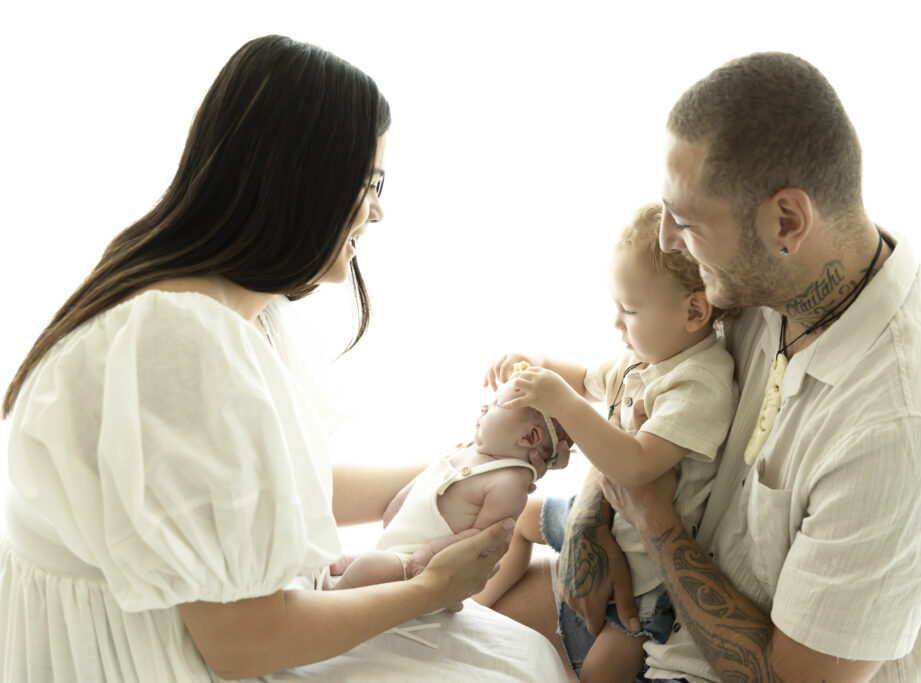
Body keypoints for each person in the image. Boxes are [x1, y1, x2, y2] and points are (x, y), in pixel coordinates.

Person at [0, 35, 568, 682]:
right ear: (304, 181)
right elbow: (240, 642)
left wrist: (465, 465)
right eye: (370, 182)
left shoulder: (231, 302)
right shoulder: (177, 340)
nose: (378, 211)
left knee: (520, 656)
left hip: (216, 625)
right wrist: (424, 588)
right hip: (157, 653)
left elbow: (250, 494)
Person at [496, 52, 921, 682]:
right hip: (656, 605)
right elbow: (640, 400)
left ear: (786, 222)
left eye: (685, 223)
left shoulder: (906, 423)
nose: (666, 242)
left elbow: (792, 679)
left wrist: (651, 518)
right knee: (441, 626)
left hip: (711, 668)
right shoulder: (766, 286)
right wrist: (589, 516)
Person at [475, 202, 738, 682]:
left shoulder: (700, 383)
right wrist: (536, 361)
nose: (617, 323)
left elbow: (637, 466)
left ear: (694, 311)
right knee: (513, 521)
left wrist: (564, 406)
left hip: (646, 581)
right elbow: (581, 378)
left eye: (630, 309)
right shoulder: (642, 359)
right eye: (616, 306)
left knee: (598, 674)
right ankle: (471, 608)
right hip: (604, 522)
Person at [309, 379, 572, 593]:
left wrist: (430, 553)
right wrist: (400, 500)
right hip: (398, 548)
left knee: (368, 567)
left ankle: (333, 598)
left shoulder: (509, 481)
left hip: (420, 564)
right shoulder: (474, 448)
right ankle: (340, 572)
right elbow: (430, 475)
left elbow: (483, 538)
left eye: (497, 405)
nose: (483, 407)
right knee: (350, 559)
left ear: (529, 436)